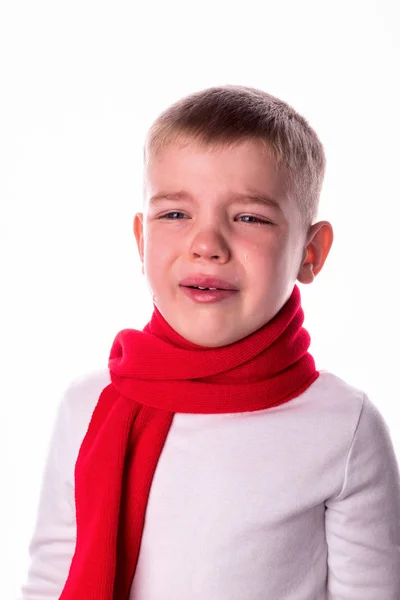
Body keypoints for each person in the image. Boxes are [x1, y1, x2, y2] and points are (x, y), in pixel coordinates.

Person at [20, 85, 400, 600]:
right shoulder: (87, 403)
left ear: (311, 253)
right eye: (175, 214)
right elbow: (51, 580)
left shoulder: (344, 426)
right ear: (142, 239)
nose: (206, 244)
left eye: (250, 217)